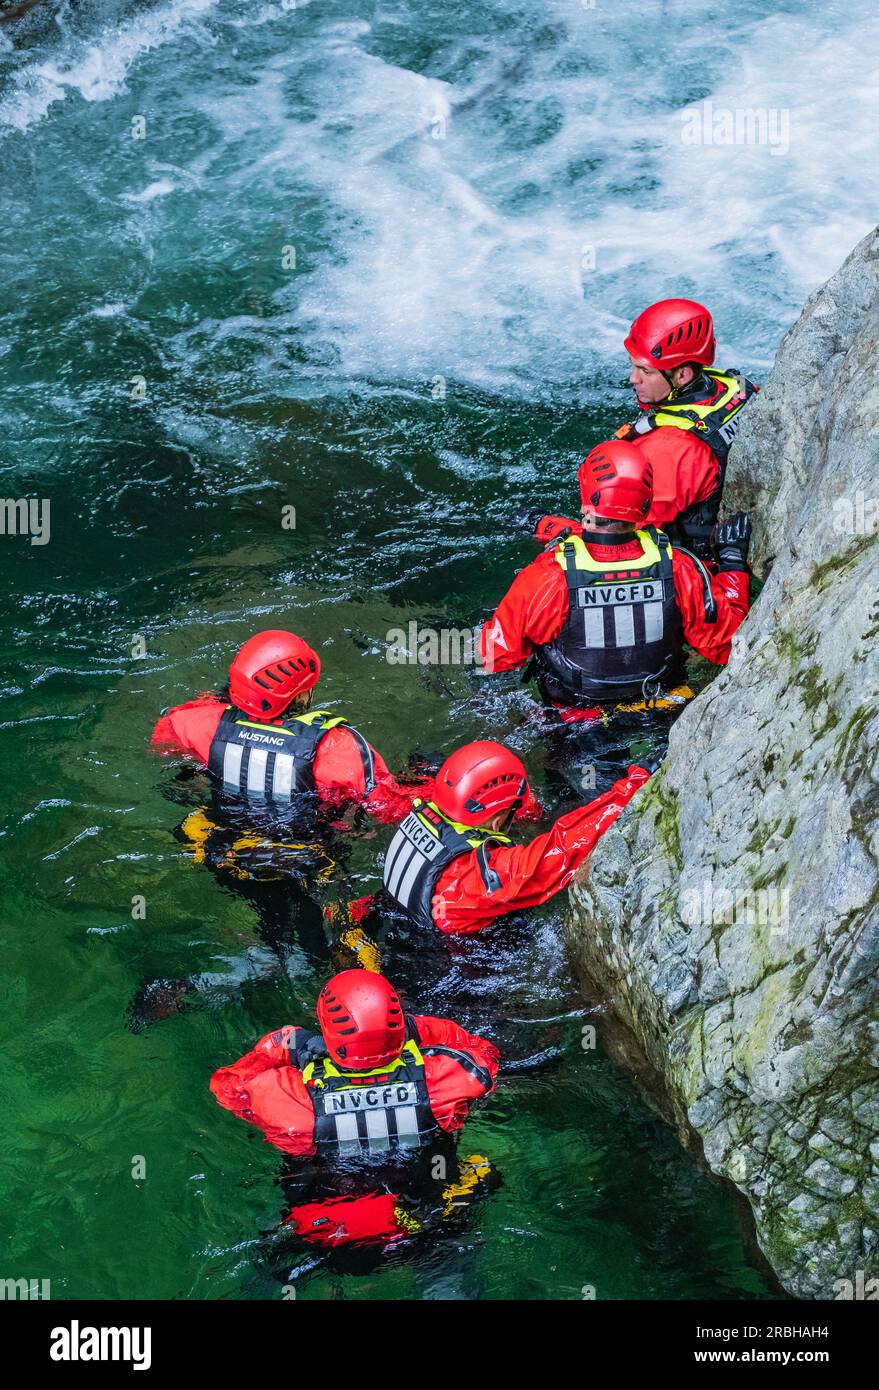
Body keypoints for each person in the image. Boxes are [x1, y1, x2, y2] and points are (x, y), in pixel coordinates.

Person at [211, 970, 500, 1252]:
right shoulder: (445, 1081)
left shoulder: (290, 1100)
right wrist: (416, 1029)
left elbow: (228, 1088)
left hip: (325, 1228)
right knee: (483, 1171)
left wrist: (288, 1044)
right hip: (422, 1216)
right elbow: (485, 1053)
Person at [483, 440, 751, 723]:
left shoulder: (547, 578)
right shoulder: (680, 567)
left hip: (577, 722)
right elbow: (728, 646)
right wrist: (732, 563)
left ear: (585, 491)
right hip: (663, 711)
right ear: (647, 499)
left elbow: (495, 656)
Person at [531, 298, 758, 559]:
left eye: (644, 371)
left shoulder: (668, 451)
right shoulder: (737, 385)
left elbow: (616, 542)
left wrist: (543, 525)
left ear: (682, 375)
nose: (633, 378)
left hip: (689, 564)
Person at [151, 628, 431, 825]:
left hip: (222, 841)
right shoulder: (336, 747)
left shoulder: (201, 724)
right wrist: (428, 781)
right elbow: (390, 808)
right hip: (302, 856)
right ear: (299, 696)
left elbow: (161, 741)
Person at [380, 739, 654, 934]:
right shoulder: (472, 879)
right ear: (499, 820)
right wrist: (636, 784)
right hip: (440, 962)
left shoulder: (420, 810)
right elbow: (561, 851)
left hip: (387, 917)